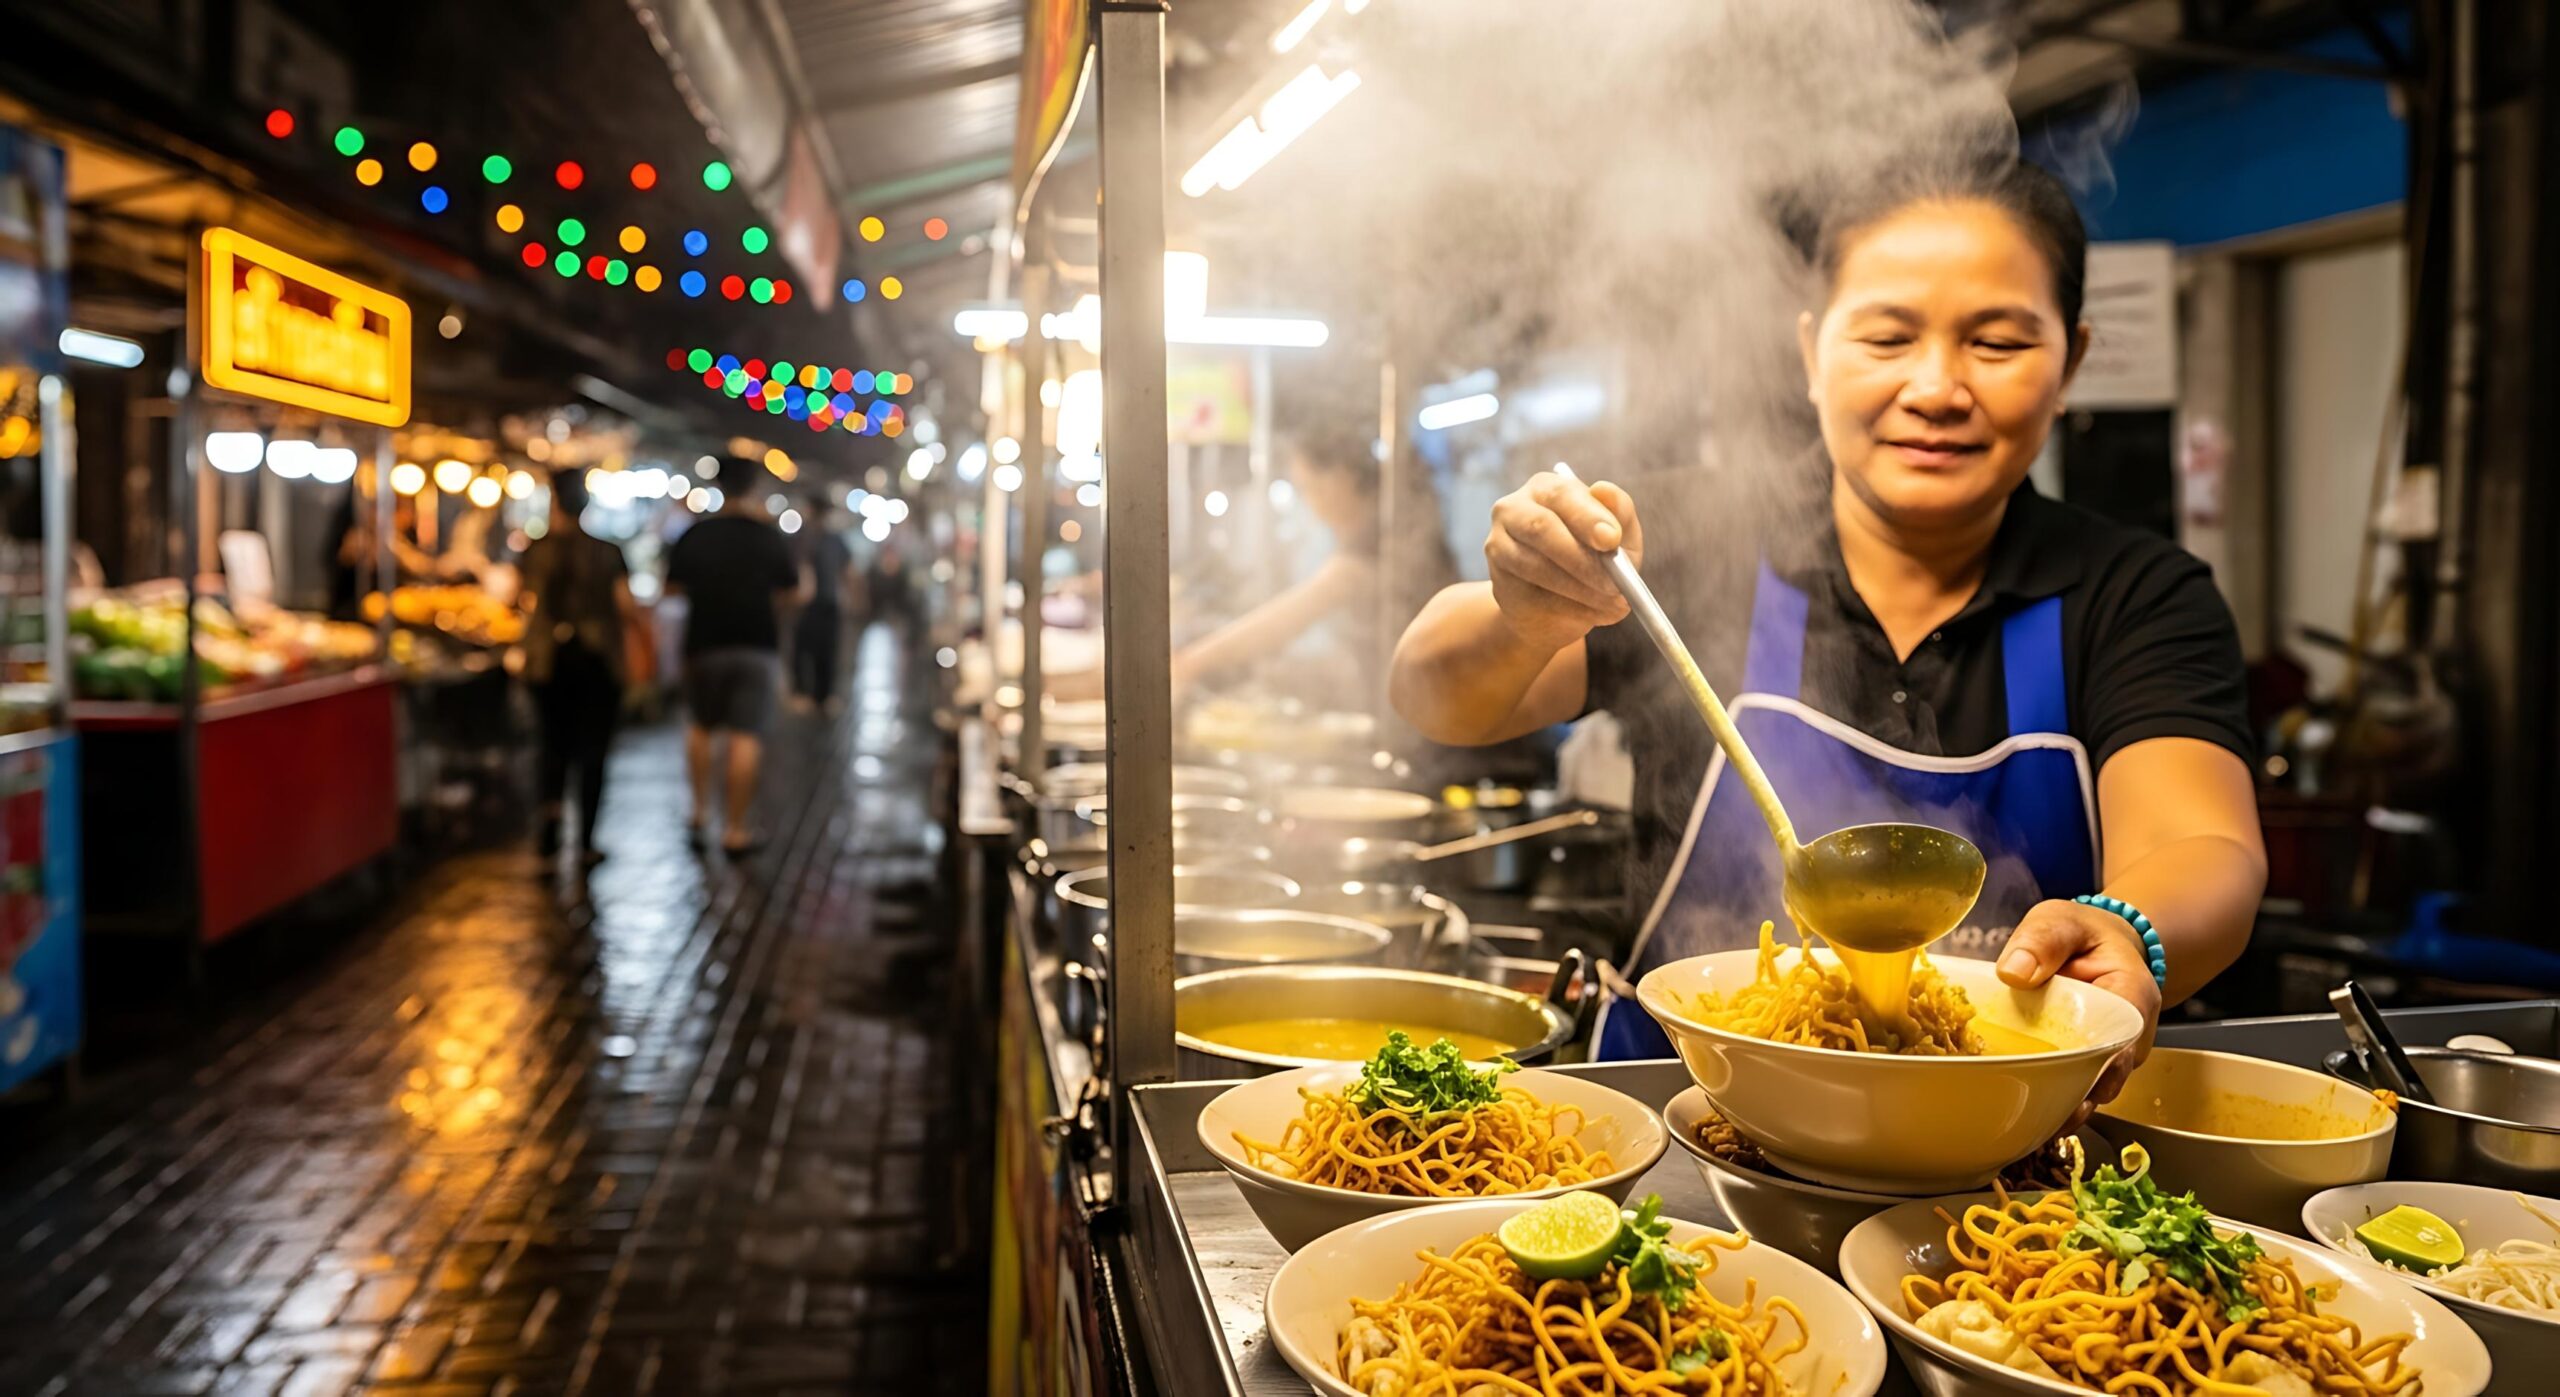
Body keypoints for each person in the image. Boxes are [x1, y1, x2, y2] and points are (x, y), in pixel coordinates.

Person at [1389, 160, 2265, 1098]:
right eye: (1888, 336)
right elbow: (1435, 695)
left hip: (1997, 1137)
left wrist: (2128, 926)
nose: (1936, 387)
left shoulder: (2136, 593)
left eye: (1998, 343)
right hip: (1677, 1124)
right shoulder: (1694, 541)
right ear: (1812, 355)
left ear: (2071, 363)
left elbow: (2203, 845)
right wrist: (1521, 612)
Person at [664, 473, 806, 853]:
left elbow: (671, 588)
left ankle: (698, 813)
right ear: (752, 489)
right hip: (756, 644)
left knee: (700, 726)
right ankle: (736, 829)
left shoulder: (697, 534)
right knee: (745, 733)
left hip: (704, 642)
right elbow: (793, 591)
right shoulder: (767, 535)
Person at [518, 469, 639, 863]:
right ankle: (585, 841)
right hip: (599, 659)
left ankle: (548, 837)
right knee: (593, 751)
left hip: (546, 661)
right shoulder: (608, 552)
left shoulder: (535, 550)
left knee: (551, 746)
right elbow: (626, 608)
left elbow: (521, 602)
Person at [789, 503, 855, 712]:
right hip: (805, 604)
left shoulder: (834, 540)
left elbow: (846, 569)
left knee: (828, 649)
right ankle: (801, 692)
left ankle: (823, 695)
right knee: (802, 648)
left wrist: (848, 595)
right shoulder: (800, 539)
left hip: (828, 602)